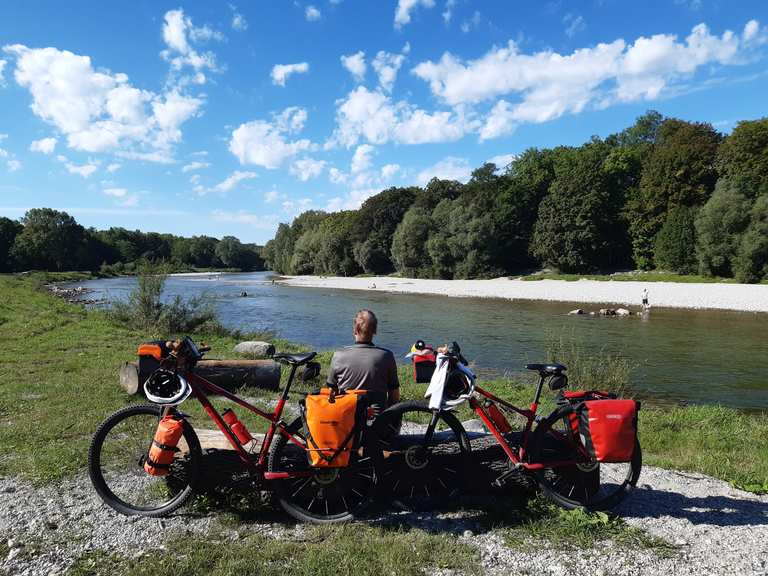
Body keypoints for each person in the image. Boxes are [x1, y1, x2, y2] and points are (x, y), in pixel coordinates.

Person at [326, 309, 400, 410]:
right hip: (378, 420)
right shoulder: (386, 356)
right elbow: (394, 396)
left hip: (346, 419)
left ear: (355, 329)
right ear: (375, 331)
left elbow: (331, 392)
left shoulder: (339, 355)